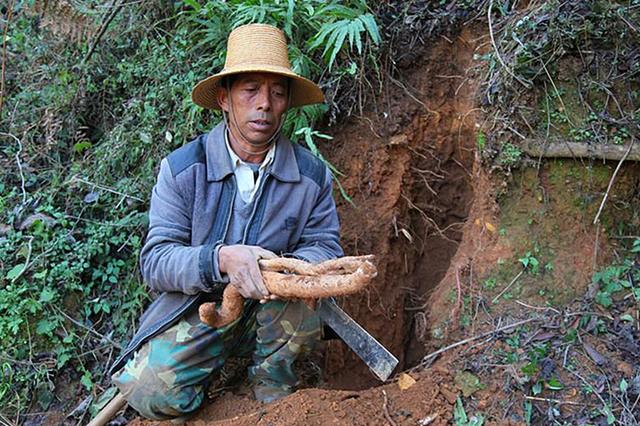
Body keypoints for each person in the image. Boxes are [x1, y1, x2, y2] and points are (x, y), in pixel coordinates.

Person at [108, 23, 343, 420]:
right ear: (224, 98)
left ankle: (273, 396)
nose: (264, 104)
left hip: (274, 309)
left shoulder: (311, 175)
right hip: (200, 310)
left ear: (287, 103)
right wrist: (221, 260)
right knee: (151, 392)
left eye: (277, 92)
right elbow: (156, 262)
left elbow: (325, 248)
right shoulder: (183, 170)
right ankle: (215, 404)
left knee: (301, 311)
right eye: (250, 90)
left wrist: (278, 269)